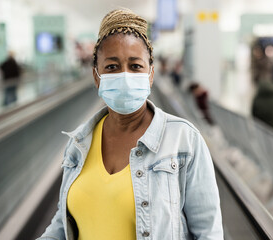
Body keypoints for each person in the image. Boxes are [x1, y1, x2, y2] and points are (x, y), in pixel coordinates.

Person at [39, 9, 223, 240]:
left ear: (151, 74)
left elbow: (208, 233)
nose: (124, 75)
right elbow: (62, 223)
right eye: (112, 67)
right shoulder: (78, 144)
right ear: (97, 77)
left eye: (135, 66)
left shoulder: (184, 141)